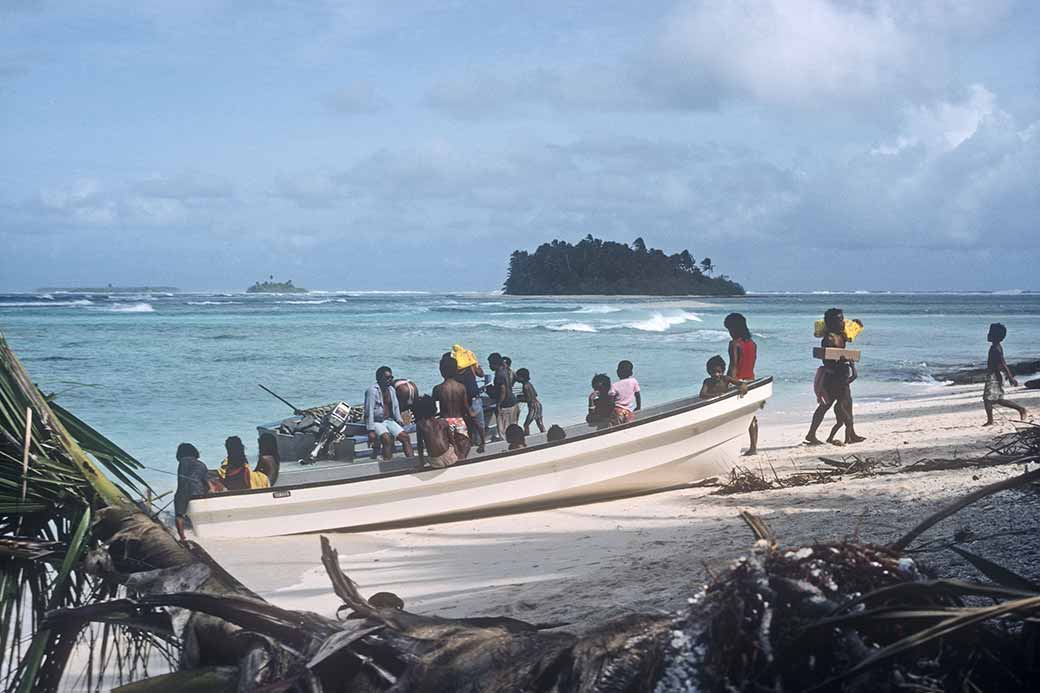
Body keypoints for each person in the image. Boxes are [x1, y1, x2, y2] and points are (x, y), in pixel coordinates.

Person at [805, 308, 865, 445]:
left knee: (848, 404)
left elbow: (852, 331)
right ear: (830, 323)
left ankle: (851, 433)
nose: (842, 322)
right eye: (839, 320)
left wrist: (856, 325)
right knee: (825, 406)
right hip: (834, 378)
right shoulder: (829, 338)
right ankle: (811, 434)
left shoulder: (841, 335)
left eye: (842, 319)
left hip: (842, 376)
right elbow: (827, 359)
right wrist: (842, 360)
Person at [724, 313, 758, 455]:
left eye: (729, 329)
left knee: (729, 415)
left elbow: (733, 366)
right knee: (751, 415)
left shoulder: (734, 344)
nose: (729, 333)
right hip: (751, 380)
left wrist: (729, 383)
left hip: (738, 382)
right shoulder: (752, 344)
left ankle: (729, 446)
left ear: (734, 329)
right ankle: (753, 448)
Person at [364, 366, 414, 461]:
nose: (389, 380)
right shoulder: (372, 391)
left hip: (388, 420)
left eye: (391, 377)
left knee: (405, 437)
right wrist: (370, 430)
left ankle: (412, 462)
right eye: (387, 378)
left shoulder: (391, 390)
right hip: (376, 421)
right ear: (379, 378)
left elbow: (395, 407)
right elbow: (368, 410)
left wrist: (399, 419)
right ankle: (387, 463)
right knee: (386, 439)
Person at [983, 323, 1028, 425]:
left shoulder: (996, 349)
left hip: (995, 376)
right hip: (994, 375)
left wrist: (1010, 377)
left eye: (990, 333)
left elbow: (1003, 364)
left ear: (996, 336)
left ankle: (990, 421)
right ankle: (1020, 409)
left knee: (988, 399)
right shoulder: (996, 347)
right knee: (997, 400)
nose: (988, 334)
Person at [432, 354, 476, 456]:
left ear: (442, 371)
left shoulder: (438, 389)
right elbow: (466, 408)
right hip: (459, 420)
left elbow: (434, 409)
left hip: (445, 422)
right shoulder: (461, 387)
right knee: (464, 445)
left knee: (449, 448)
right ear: (456, 370)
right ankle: (462, 461)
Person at [414, 395, 470, 468]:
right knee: (464, 438)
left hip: (435, 461)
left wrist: (421, 462)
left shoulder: (420, 425)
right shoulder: (443, 422)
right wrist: (457, 453)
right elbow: (452, 441)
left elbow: (420, 445)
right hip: (449, 458)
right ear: (434, 408)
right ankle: (461, 457)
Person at [452, 344, 487, 453]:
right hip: (473, 399)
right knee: (478, 423)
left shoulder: (455, 370)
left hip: (463, 400)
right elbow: (481, 374)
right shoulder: (470, 366)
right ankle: (480, 442)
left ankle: (475, 443)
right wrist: (475, 363)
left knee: (469, 423)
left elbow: (481, 374)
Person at [173, 443, 209, 542]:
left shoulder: (183, 461)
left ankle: (182, 537)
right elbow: (206, 482)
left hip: (183, 491)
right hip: (198, 491)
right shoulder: (202, 464)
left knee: (179, 516)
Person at [488, 352, 520, 440]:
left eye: (490, 364)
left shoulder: (499, 374)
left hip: (506, 405)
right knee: (513, 429)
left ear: (495, 364)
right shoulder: (506, 370)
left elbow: (503, 390)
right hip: (513, 403)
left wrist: (498, 404)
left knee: (504, 431)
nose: (489, 366)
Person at [514, 368, 545, 434]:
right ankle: (544, 434)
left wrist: (519, 399)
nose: (517, 378)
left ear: (522, 377)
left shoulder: (525, 386)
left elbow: (528, 399)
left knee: (526, 425)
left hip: (533, 406)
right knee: (539, 423)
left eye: (518, 376)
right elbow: (535, 394)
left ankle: (527, 437)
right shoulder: (529, 384)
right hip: (538, 404)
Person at [612, 360, 641, 424]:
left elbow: (611, 400)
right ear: (631, 373)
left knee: (617, 427)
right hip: (628, 411)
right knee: (628, 426)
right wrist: (638, 407)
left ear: (617, 372)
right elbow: (637, 395)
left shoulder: (614, 385)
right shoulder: (633, 381)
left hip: (617, 410)